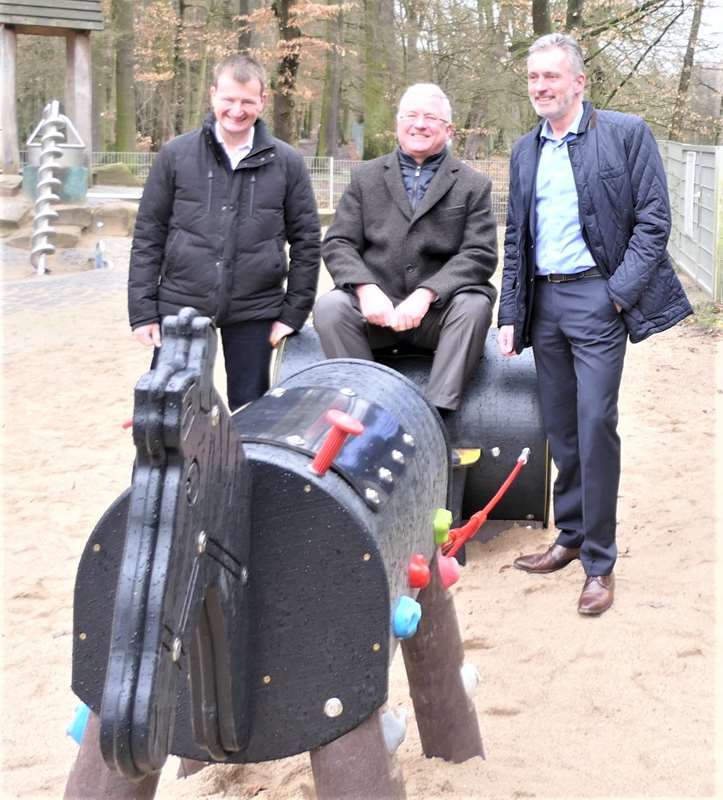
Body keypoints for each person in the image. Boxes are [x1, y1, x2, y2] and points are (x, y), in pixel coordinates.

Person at [498, 33, 692, 615]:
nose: (540, 88)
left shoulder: (626, 134)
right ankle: (572, 534)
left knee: (595, 421)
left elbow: (654, 222)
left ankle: (599, 564)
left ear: (579, 82)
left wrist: (615, 295)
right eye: (533, 79)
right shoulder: (523, 150)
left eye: (551, 78)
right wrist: (511, 313)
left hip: (597, 299)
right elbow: (517, 237)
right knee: (560, 428)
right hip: (544, 303)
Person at [128, 55, 320, 411]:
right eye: (229, 99)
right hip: (180, 303)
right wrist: (142, 312)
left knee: (251, 414)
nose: (237, 109)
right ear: (213, 94)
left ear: (262, 101)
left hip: (255, 308)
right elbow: (148, 234)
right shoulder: (175, 155)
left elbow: (307, 242)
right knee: (169, 409)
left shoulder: (287, 163)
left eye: (247, 101)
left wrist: (292, 314)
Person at [313, 83, 498, 413]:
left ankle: (435, 414)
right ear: (398, 124)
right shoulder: (364, 178)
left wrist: (427, 294)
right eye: (411, 115)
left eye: (430, 117)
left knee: (475, 305)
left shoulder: (473, 185)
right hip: (375, 313)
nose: (420, 124)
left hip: (438, 317)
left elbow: (480, 253)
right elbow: (339, 242)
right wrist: (365, 289)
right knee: (330, 309)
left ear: (448, 128)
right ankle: (365, 409)